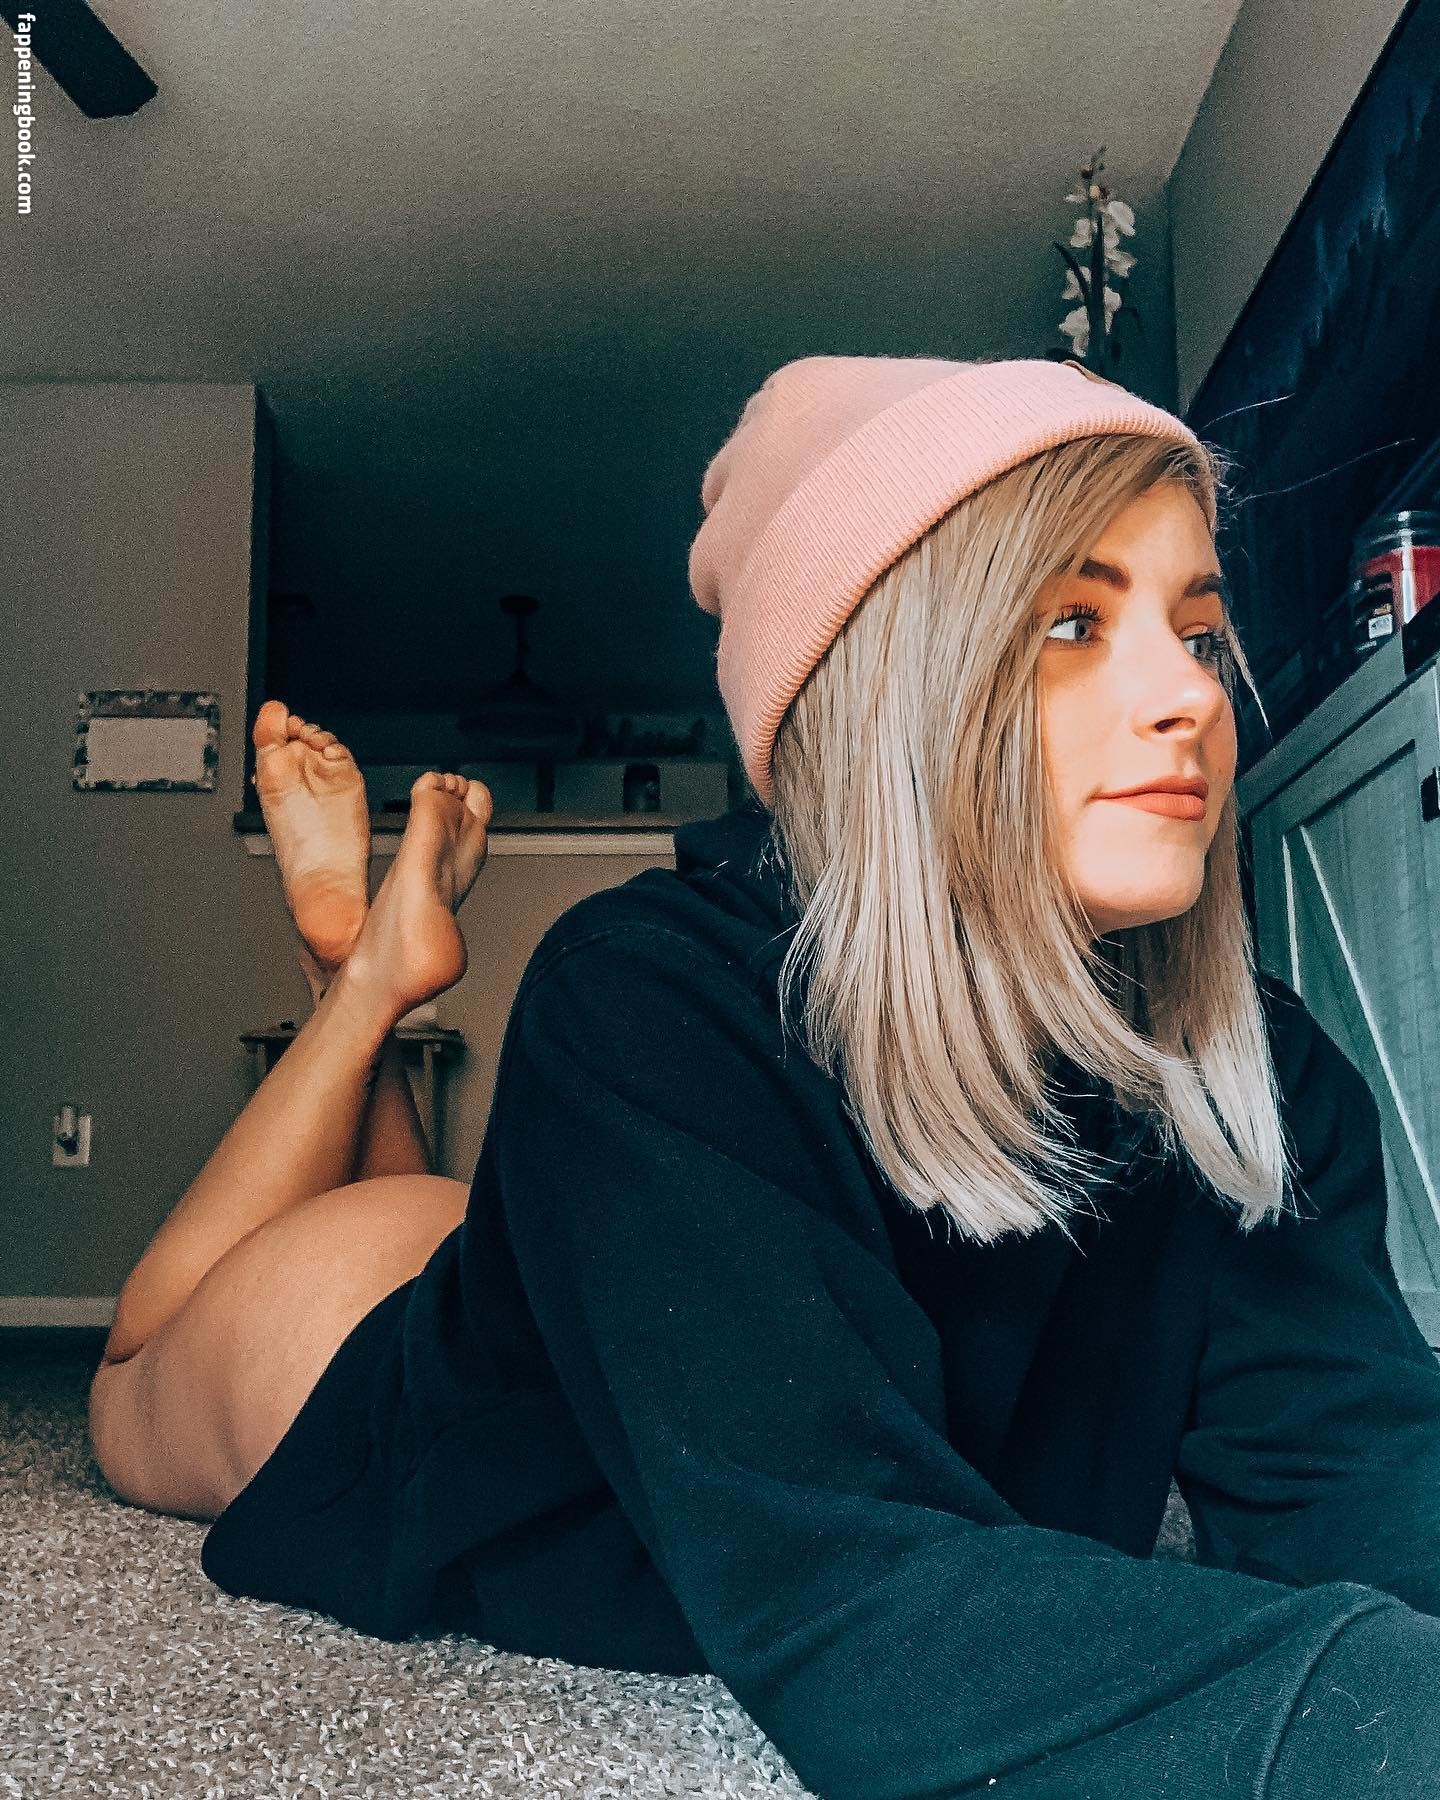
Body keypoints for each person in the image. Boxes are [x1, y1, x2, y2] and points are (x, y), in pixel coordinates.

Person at [88, 355, 1440, 1798]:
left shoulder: (1258, 1080)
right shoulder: (654, 992)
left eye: (1199, 628)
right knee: (133, 1367)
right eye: (1071, 621)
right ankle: (359, 977)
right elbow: (864, 1618)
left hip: (591, 1261)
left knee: (474, 1231)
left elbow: (1354, 1479)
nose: (1190, 696)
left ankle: (364, 970)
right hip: (348, 1334)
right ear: (885, 689)